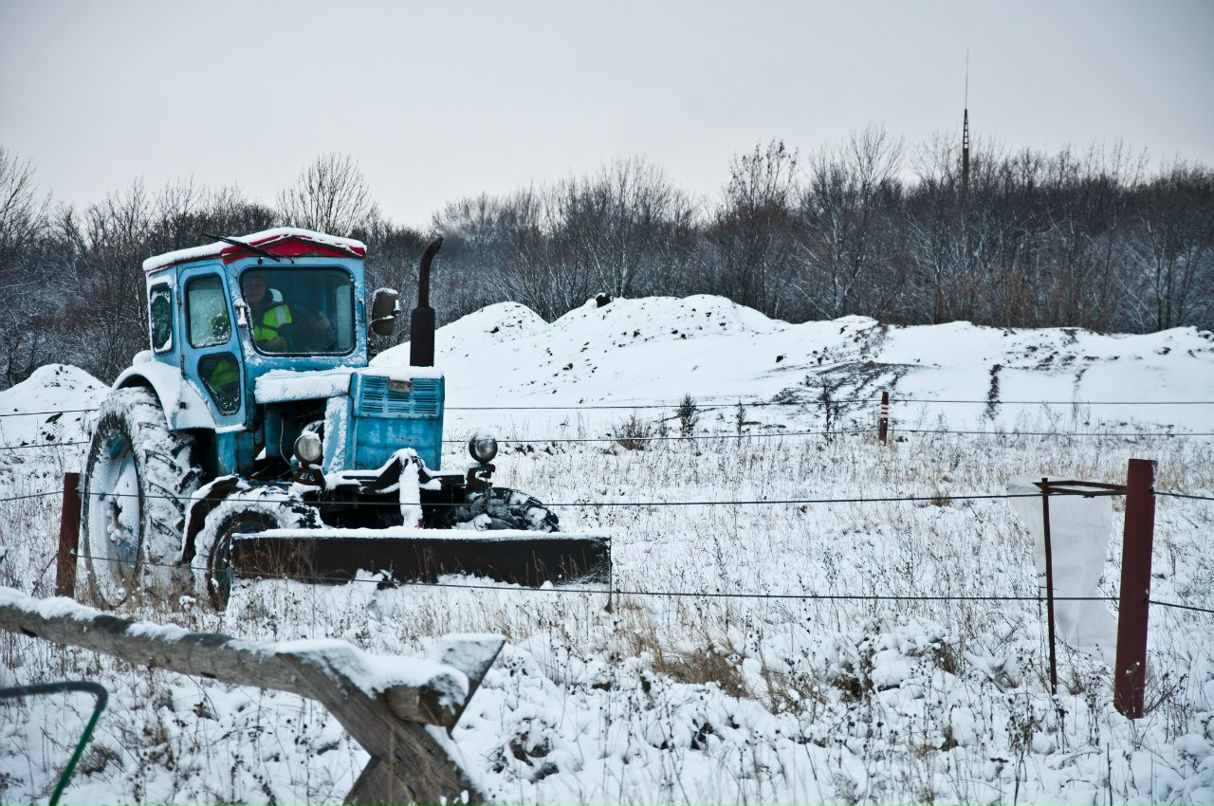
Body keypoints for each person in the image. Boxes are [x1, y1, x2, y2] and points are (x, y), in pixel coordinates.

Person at [241, 274, 293, 352]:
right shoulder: (232, 312)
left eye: (258, 284)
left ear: (265, 286)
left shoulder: (280, 309)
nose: (254, 290)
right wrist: (263, 346)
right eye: (248, 285)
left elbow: (293, 336)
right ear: (241, 288)